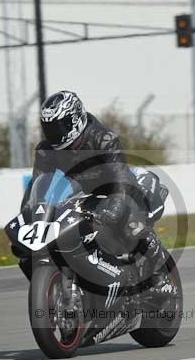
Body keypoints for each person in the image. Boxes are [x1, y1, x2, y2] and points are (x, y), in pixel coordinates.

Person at [18, 90, 167, 291]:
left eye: (60, 126)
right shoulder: (46, 150)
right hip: (85, 197)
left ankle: (159, 271)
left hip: (119, 190)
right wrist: (29, 214)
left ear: (75, 119)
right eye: (50, 127)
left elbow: (120, 176)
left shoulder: (103, 139)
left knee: (132, 224)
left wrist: (116, 206)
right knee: (39, 245)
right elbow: (38, 185)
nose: (55, 133)